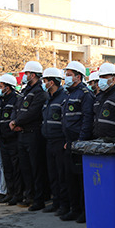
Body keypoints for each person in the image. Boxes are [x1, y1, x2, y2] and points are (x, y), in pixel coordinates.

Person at [10, 61, 48, 211]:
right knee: (25, 167)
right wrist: (14, 121)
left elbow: (33, 112)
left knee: (36, 168)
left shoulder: (39, 92)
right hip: (22, 134)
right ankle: (29, 195)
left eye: (26, 73)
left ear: (33, 74)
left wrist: (17, 121)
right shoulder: (25, 91)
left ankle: (39, 198)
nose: (24, 76)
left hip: (33, 134)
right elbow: (17, 108)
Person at [61, 60, 95, 222]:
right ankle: (74, 209)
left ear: (78, 77)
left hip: (79, 143)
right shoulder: (70, 94)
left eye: (69, 75)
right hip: (69, 142)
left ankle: (84, 211)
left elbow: (87, 120)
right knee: (70, 179)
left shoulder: (85, 94)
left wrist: (81, 141)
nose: (66, 78)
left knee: (81, 181)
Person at [40, 67, 69, 214]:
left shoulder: (63, 97)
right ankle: (56, 202)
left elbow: (65, 121)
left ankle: (64, 205)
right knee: (52, 174)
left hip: (59, 141)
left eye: (45, 81)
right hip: (49, 141)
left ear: (51, 82)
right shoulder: (48, 99)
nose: (43, 84)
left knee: (61, 174)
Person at [0, 74, 23, 206]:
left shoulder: (16, 99)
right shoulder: (0, 101)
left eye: (1, 86)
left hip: (13, 139)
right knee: (7, 169)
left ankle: (18, 194)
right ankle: (10, 193)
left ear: (8, 87)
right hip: (2, 139)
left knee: (16, 168)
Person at [93, 62, 115, 139]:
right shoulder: (99, 97)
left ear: (113, 79)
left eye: (104, 77)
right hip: (97, 140)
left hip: (112, 142)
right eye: (100, 77)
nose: (101, 80)